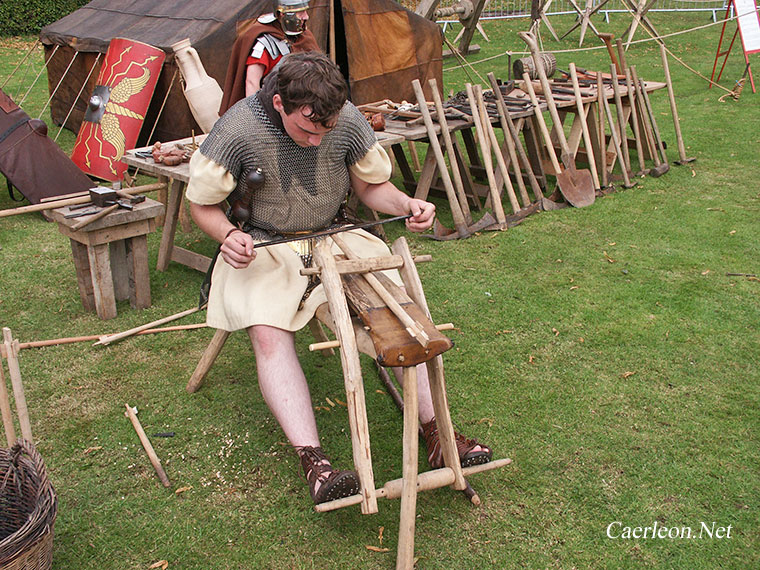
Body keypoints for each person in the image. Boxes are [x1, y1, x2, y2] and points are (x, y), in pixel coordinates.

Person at [187, 52, 492, 505]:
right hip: (264, 246)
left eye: (324, 131)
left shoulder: (344, 120)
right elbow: (202, 205)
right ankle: (315, 462)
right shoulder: (236, 130)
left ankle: (436, 432)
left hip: (336, 235)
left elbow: (370, 187)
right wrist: (228, 235)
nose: (315, 141)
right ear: (278, 106)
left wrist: (406, 204)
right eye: (306, 129)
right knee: (269, 336)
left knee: (400, 318)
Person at [219, 0, 319, 115]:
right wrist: (257, 117)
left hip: (307, 108)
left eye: (305, 11)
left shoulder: (304, 37)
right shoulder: (264, 43)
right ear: (283, 14)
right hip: (273, 113)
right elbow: (252, 82)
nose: (306, 16)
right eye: (300, 12)